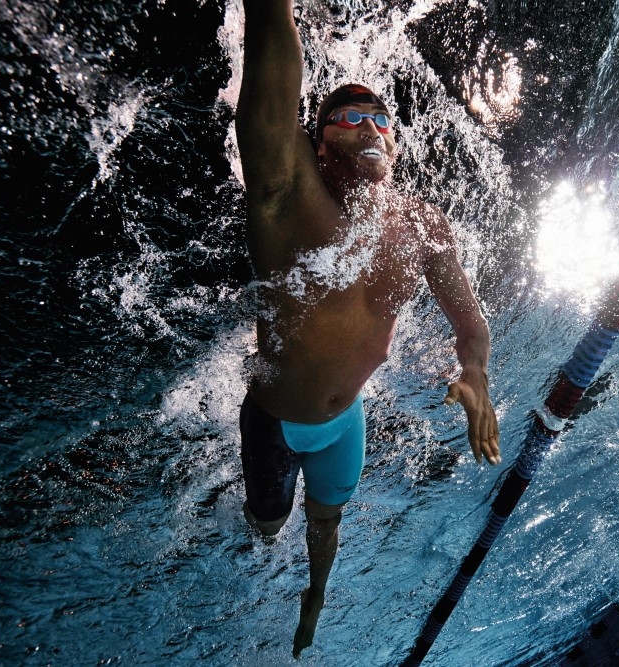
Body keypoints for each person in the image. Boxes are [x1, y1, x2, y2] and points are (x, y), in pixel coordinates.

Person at [235, 0, 501, 657]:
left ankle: (314, 600)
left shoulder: (423, 224)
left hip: (345, 421)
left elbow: (470, 321)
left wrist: (477, 375)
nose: (370, 127)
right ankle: (261, 550)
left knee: (326, 525)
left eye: (381, 118)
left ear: (396, 143)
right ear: (316, 141)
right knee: (268, 524)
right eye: (348, 117)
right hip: (274, 420)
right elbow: (270, 93)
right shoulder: (288, 193)